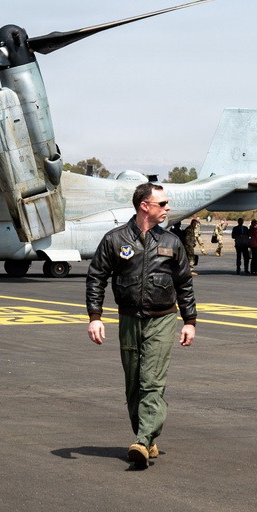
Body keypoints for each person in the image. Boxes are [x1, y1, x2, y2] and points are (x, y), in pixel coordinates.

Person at [86, 182, 196, 469]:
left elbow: (184, 283)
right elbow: (96, 276)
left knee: (152, 380)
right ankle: (147, 436)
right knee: (133, 382)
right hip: (128, 318)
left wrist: (189, 321)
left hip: (162, 318)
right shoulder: (115, 239)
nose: (168, 208)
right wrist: (95, 317)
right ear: (144, 206)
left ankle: (144, 439)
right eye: (162, 204)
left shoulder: (172, 242)